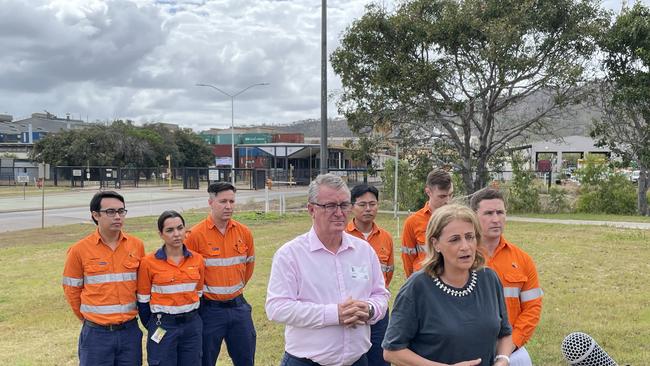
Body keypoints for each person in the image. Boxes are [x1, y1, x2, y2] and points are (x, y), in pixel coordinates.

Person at [266, 173, 390, 366]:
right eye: (330, 206)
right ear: (311, 209)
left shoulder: (364, 251)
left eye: (344, 205)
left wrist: (370, 309)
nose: (339, 213)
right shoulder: (290, 255)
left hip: (357, 360)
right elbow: (277, 308)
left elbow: (380, 294)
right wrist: (334, 314)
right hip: (306, 362)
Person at [383, 204, 513, 366]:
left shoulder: (489, 279)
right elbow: (392, 351)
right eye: (454, 239)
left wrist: (503, 360)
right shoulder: (417, 287)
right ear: (436, 244)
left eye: (470, 237)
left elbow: (505, 333)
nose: (465, 246)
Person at [62, 191, 145, 366]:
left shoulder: (136, 245)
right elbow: (72, 290)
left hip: (129, 331)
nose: (117, 217)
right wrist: (89, 319)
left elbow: (143, 285)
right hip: (96, 335)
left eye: (121, 211)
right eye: (110, 212)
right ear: (95, 215)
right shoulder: (79, 250)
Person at [470, 188, 544, 366]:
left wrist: (510, 344)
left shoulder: (522, 259)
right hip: (471, 351)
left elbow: (532, 308)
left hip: (513, 351)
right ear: (473, 216)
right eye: (488, 213)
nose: (496, 219)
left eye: (500, 212)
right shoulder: (462, 257)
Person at [185, 182, 256, 366]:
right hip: (209, 311)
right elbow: (187, 275)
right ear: (210, 202)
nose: (228, 206)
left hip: (239, 307)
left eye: (232, 201)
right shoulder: (194, 235)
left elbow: (248, 268)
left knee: (246, 359)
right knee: (205, 361)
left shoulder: (244, 233)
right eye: (223, 201)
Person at [137, 211, 205, 366]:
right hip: (163, 325)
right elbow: (143, 301)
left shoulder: (198, 260)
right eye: (170, 230)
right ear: (161, 234)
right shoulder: (148, 263)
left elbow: (199, 294)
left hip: (192, 325)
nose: (176, 234)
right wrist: (154, 324)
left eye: (180, 228)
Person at [345, 184, 393, 366]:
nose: (368, 209)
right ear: (351, 207)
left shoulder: (385, 237)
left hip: (378, 309)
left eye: (372, 204)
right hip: (352, 310)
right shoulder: (342, 235)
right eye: (362, 204)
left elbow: (389, 271)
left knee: (379, 358)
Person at [401, 169, 453, 278]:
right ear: (428, 192)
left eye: (451, 195)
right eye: (442, 196)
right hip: (424, 281)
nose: (448, 201)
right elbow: (408, 258)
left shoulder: (458, 220)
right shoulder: (413, 222)